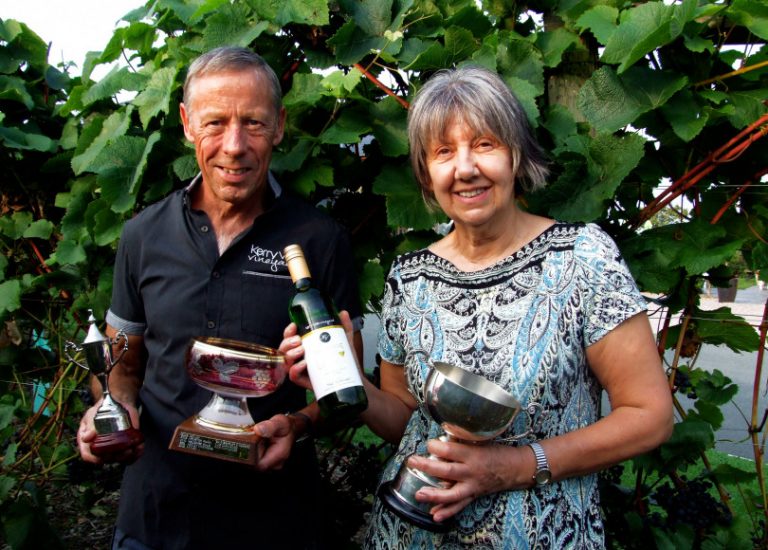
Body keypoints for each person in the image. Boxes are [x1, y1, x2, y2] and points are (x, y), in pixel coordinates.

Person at [280, 66, 673, 548]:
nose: (464, 168)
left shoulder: (582, 258)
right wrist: (346, 380)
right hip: (408, 535)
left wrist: (513, 467)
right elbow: (406, 418)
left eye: (484, 144)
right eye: (444, 152)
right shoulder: (410, 277)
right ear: (427, 174)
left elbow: (649, 415)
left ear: (516, 155)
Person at [76, 46, 363, 550]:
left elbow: (346, 390)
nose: (234, 145)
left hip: (275, 525)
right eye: (214, 123)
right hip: (155, 521)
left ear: (279, 126)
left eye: (253, 122)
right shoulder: (143, 235)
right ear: (187, 124)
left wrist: (296, 424)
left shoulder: (320, 240)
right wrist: (110, 412)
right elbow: (122, 367)